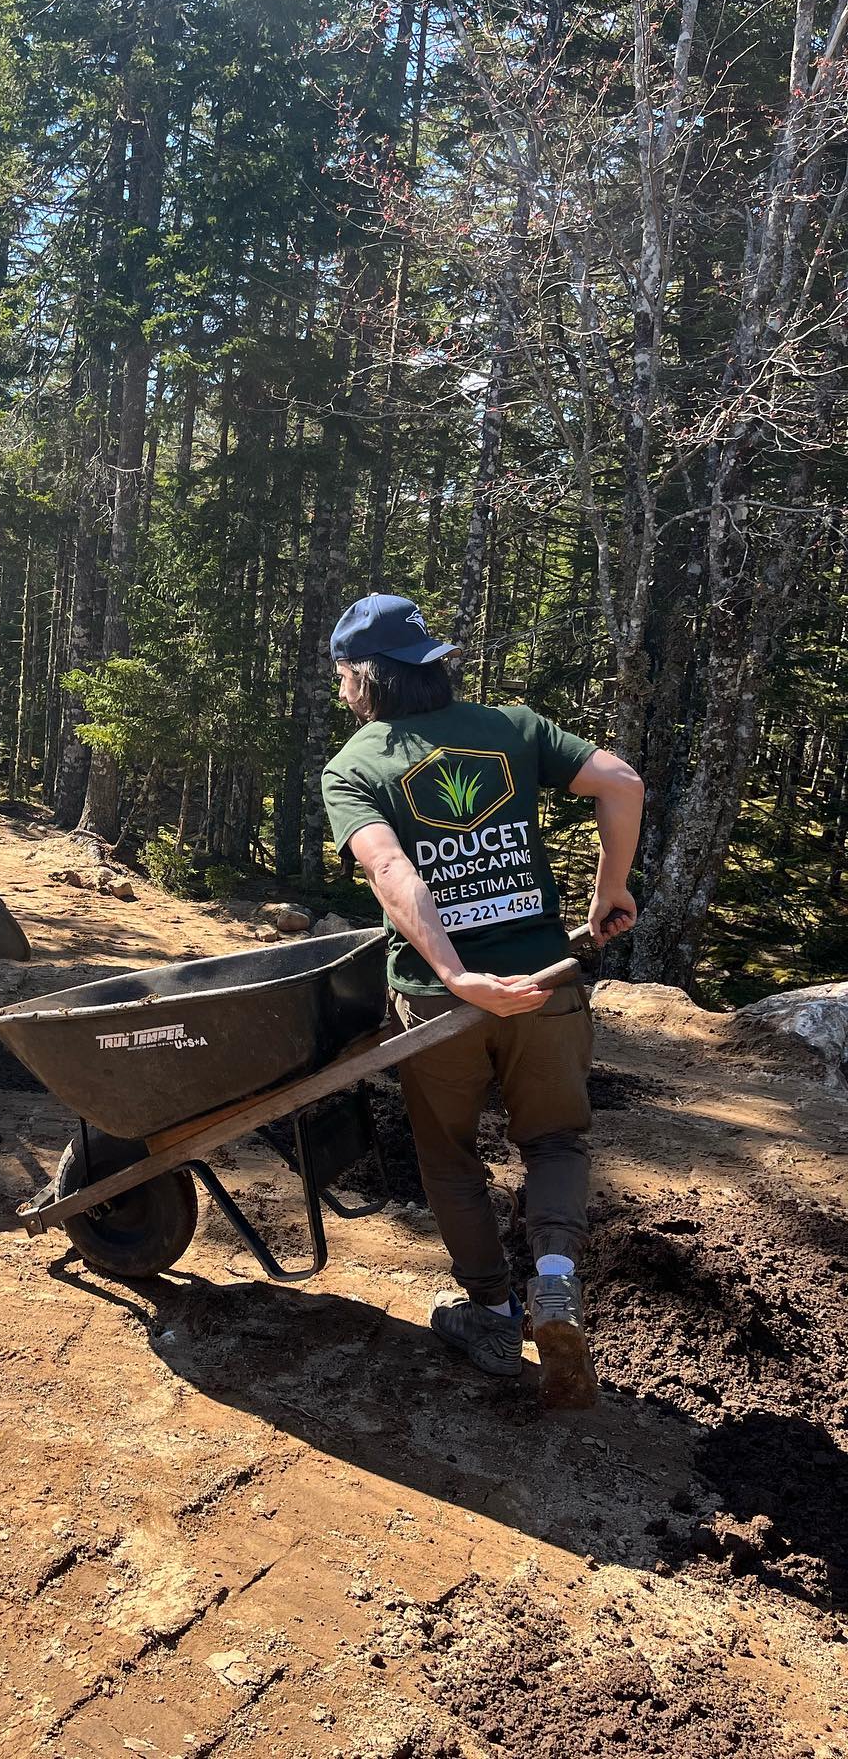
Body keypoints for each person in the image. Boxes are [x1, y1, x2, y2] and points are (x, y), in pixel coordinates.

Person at [320, 593, 643, 1409]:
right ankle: (556, 1282)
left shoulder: (355, 765)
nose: (341, 689)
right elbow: (621, 782)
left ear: (363, 678)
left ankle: (495, 1315)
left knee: (450, 1159)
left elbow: (392, 872)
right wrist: (609, 891)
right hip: (544, 984)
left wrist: (459, 977)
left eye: (342, 676)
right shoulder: (510, 728)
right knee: (556, 1141)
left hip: (439, 1004)